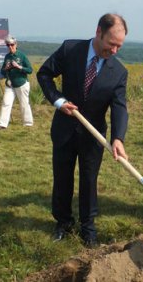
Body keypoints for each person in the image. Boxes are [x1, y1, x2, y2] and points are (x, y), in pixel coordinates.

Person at [37, 13, 129, 247]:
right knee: (62, 177)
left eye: (120, 46)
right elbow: (44, 74)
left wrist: (118, 138)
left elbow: (119, 107)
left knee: (89, 180)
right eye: (112, 44)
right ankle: (63, 223)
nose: (115, 50)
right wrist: (58, 101)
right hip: (64, 130)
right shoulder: (70, 50)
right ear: (99, 32)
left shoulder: (118, 72)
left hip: (93, 135)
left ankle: (88, 228)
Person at [0, 35, 34, 130]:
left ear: (16, 44)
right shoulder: (7, 57)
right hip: (10, 84)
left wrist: (19, 67)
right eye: (8, 45)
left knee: (24, 103)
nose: (10, 47)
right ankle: (2, 124)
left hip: (22, 83)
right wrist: (6, 68)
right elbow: (2, 72)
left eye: (12, 44)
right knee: (6, 102)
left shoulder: (22, 55)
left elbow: (30, 70)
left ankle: (28, 123)